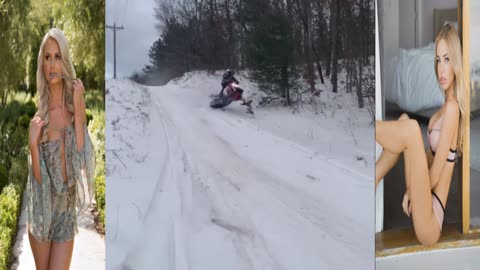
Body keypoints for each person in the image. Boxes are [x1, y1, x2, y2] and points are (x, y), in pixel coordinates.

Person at [375, 24, 466, 246]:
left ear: (455, 62)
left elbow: (434, 175)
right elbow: (427, 156)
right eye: (437, 60)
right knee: (406, 120)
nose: (441, 68)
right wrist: (411, 189)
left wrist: (411, 194)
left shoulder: (453, 109)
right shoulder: (444, 108)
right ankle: (372, 178)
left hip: (431, 222)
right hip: (423, 204)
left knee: (413, 129)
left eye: (446, 59)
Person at [27, 28, 95, 270]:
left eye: (57, 57)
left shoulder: (73, 109)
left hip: (66, 218)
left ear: (64, 61)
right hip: (42, 216)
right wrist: (33, 146)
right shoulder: (40, 120)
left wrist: (78, 106)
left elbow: (81, 164)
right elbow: (38, 184)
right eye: (47, 57)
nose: (52, 64)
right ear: (42, 64)